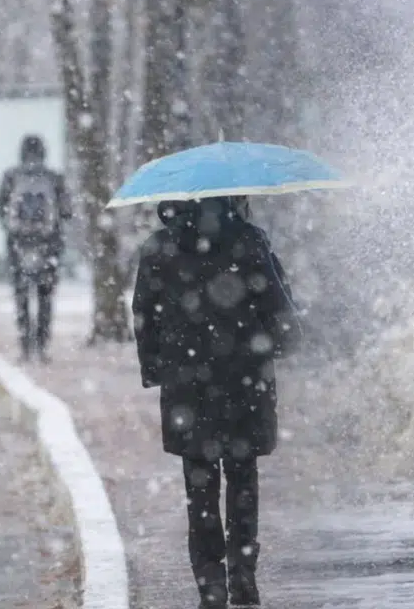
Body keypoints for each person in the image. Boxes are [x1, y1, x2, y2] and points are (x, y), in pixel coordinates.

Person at [132, 196, 301, 609]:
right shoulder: (250, 240)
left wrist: (157, 368)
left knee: (200, 482)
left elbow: (144, 316)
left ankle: (210, 585)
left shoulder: (158, 246)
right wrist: (282, 343)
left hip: (187, 384)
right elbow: (277, 306)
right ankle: (243, 577)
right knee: (243, 475)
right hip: (245, 377)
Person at [0, 135, 72, 362]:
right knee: (45, 296)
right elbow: (67, 211)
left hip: (18, 243)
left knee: (22, 296)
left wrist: (13, 231)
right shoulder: (54, 178)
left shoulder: (11, 177)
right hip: (49, 244)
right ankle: (42, 345)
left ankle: (25, 346)